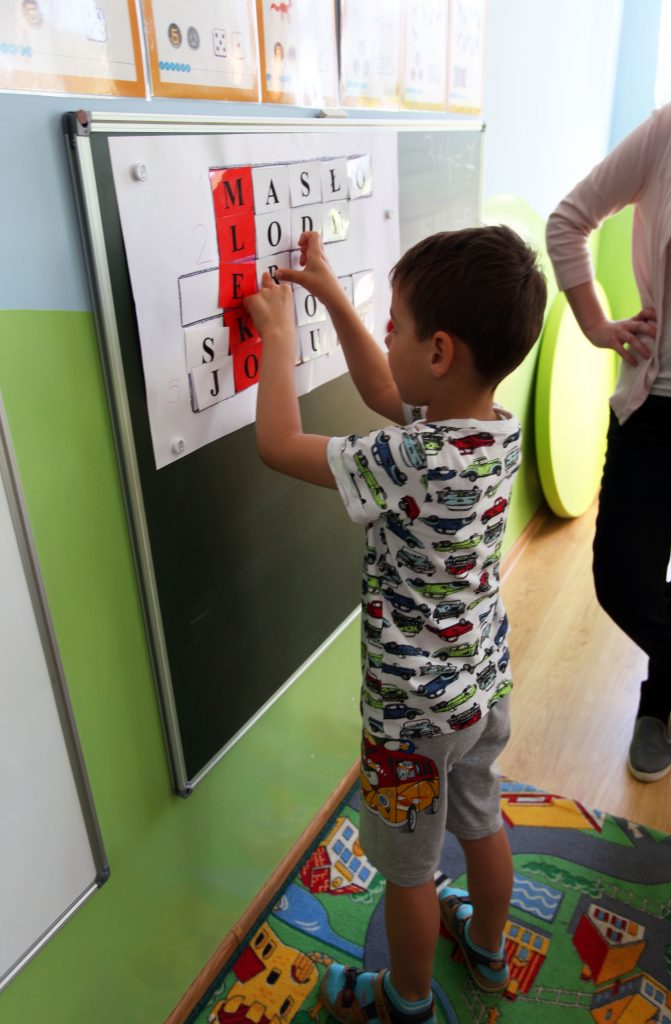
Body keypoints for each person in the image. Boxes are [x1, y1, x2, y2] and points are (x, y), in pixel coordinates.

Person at [244, 227, 546, 1023]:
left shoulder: (408, 459)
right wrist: (331, 296)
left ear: (439, 351)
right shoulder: (493, 429)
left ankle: (404, 1000)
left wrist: (278, 338)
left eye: (395, 324)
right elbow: (385, 386)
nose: (386, 336)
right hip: (481, 686)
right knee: (480, 820)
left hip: (410, 716)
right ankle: (487, 948)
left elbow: (277, 444)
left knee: (408, 871)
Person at [546, 100, 671, 783]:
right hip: (654, 404)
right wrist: (596, 323)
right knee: (623, 582)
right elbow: (567, 222)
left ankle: (655, 707)